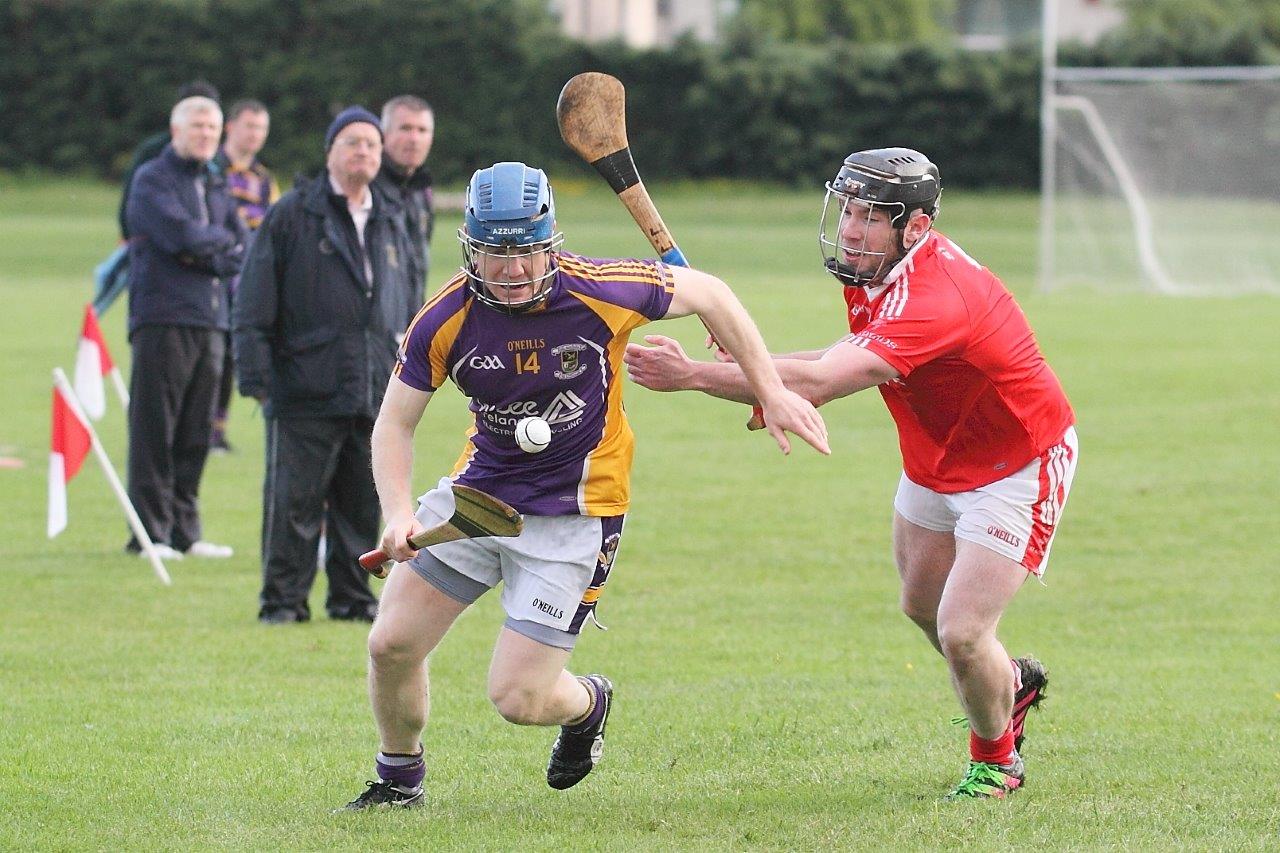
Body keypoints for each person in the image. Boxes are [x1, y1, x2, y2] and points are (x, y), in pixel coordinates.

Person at [338, 161, 829, 810]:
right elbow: (394, 426)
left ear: (550, 244)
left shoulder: (604, 287)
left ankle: (588, 702)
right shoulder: (446, 318)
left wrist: (769, 389)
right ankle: (399, 780)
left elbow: (713, 293)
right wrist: (398, 511)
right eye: (493, 254)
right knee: (391, 643)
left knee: (519, 698)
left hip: (577, 516)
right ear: (470, 249)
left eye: (525, 252)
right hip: (479, 500)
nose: (511, 270)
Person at [624, 148, 1079, 801]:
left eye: (870, 216)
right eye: (848, 210)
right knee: (920, 605)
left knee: (960, 628)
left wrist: (698, 375)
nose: (850, 228)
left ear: (915, 227)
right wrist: (759, 369)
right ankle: (1010, 679)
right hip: (935, 450)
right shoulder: (875, 270)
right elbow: (829, 359)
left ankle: (996, 759)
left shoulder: (937, 296)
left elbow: (823, 380)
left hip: (1017, 463)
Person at [233, 107, 421, 625]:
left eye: (371, 144)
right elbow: (253, 301)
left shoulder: (391, 216)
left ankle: (352, 599)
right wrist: (256, 379)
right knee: (293, 505)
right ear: (330, 152)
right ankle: (283, 604)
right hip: (303, 386)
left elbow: (409, 297)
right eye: (352, 142)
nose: (364, 151)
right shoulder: (292, 214)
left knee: (360, 504)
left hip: (374, 384)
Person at [124, 95, 245, 561]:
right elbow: (179, 236)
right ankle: (149, 534)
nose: (206, 135)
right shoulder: (152, 179)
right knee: (157, 426)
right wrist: (213, 246)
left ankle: (185, 532)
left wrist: (208, 248)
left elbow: (241, 241)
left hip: (211, 318)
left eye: (213, 128)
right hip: (162, 317)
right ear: (176, 131)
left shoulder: (216, 182)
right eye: (197, 126)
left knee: (197, 430)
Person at [96, 79, 221, 317]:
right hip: (156, 248)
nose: (204, 132)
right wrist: (127, 233)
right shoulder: (154, 155)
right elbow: (132, 199)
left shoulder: (212, 160)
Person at [210, 99, 280, 453]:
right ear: (230, 128)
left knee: (236, 352)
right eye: (249, 126)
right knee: (213, 351)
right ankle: (206, 427)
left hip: (250, 277)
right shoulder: (212, 170)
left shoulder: (264, 179)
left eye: (261, 129)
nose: (255, 135)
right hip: (216, 275)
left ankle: (217, 429)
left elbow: (275, 227)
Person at [373, 95, 435, 287]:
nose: (414, 139)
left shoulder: (422, 192)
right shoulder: (365, 190)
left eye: (422, 130)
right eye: (405, 128)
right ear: (384, 134)